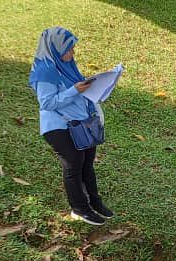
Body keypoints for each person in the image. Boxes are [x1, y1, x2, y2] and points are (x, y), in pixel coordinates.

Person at [29, 27, 113, 226]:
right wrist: (74, 90)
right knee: (74, 164)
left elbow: (80, 93)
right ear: (56, 49)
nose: (72, 53)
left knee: (87, 164)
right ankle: (80, 209)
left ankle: (94, 202)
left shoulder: (68, 66)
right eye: (69, 49)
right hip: (59, 126)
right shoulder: (45, 71)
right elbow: (47, 103)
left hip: (81, 123)